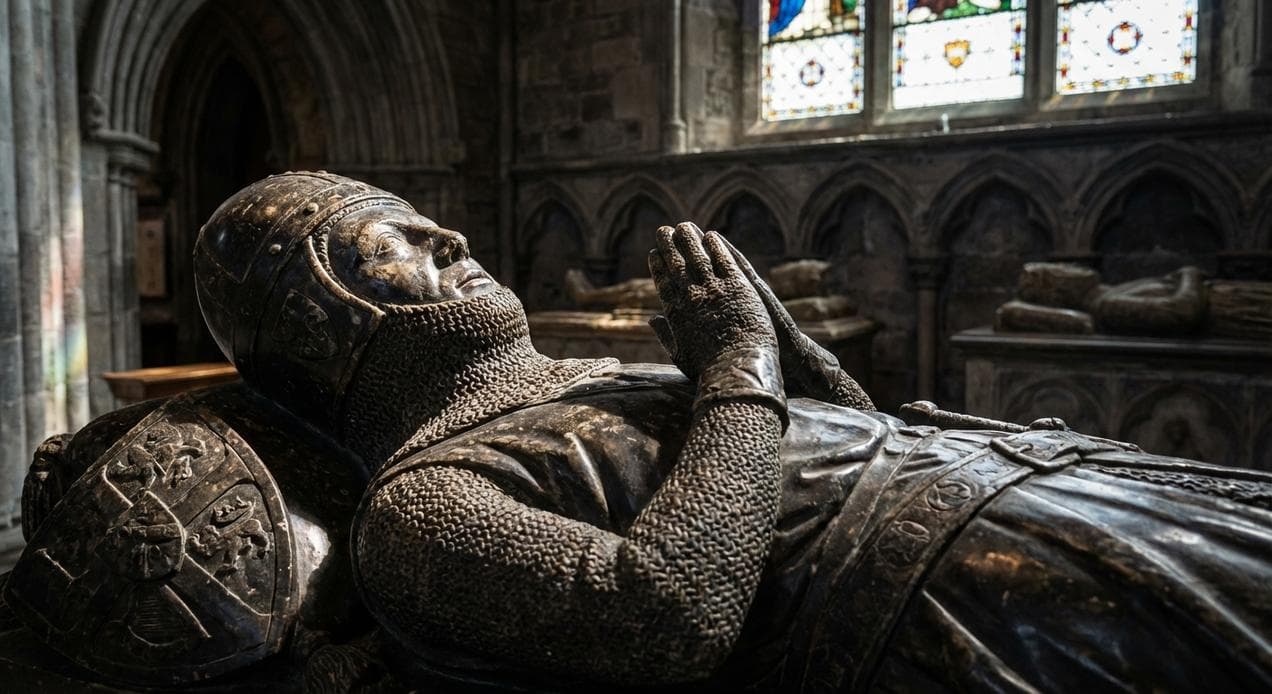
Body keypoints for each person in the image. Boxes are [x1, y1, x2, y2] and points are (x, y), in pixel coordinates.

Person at [4, 173, 1271, 693]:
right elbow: (665, 609)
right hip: (959, 591)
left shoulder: (560, 376)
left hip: (1010, 488)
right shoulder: (420, 506)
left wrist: (769, 342)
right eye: (395, 238)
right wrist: (731, 366)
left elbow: (838, 427)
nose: (452, 237)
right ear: (331, 311)